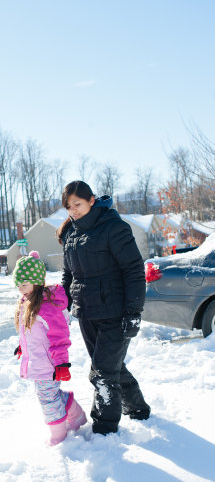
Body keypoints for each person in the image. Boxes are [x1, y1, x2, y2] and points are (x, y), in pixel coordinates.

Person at [57, 180, 150, 436]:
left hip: (116, 313)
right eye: (68, 206)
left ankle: (104, 431)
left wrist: (133, 312)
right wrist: (60, 304)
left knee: (102, 374)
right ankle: (138, 408)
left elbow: (133, 271)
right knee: (111, 367)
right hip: (87, 313)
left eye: (77, 204)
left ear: (91, 200)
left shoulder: (113, 227)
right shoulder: (70, 234)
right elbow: (69, 275)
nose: (73, 210)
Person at [13, 250, 87, 446]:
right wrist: (23, 348)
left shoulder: (46, 306)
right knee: (49, 395)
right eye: (18, 284)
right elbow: (31, 333)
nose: (21, 289)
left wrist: (62, 364)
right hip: (37, 361)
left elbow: (59, 336)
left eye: (25, 284)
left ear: (37, 282)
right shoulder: (27, 302)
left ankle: (58, 436)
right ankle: (76, 415)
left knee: (48, 400)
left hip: (49, 363)